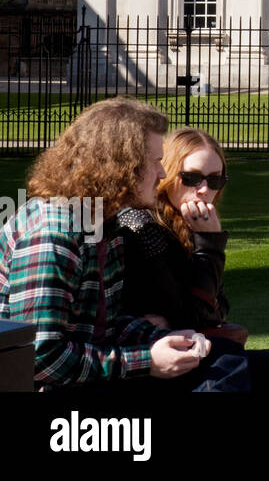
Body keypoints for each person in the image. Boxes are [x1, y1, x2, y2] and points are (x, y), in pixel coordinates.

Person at [0, 98, 210, 390]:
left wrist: (161, 338)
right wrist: (147, 360)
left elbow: (102, 326)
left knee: (259, 367)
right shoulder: (54, 232)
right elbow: (40, 357)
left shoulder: (101, 224)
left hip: (88, 377)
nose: (163, 174)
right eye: (155, 162)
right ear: (122, 167)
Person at [117, 127, 269, 391]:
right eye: (192, 178)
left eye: (215, 180)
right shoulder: (144, 224)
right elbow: (192, 315)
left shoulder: (191, 224)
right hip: (148, 359)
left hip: (189, 346)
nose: (204, 190)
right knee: (231, 362)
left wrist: (207, 246)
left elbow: (218, 306)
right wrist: (210, 247)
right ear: (167, 173)